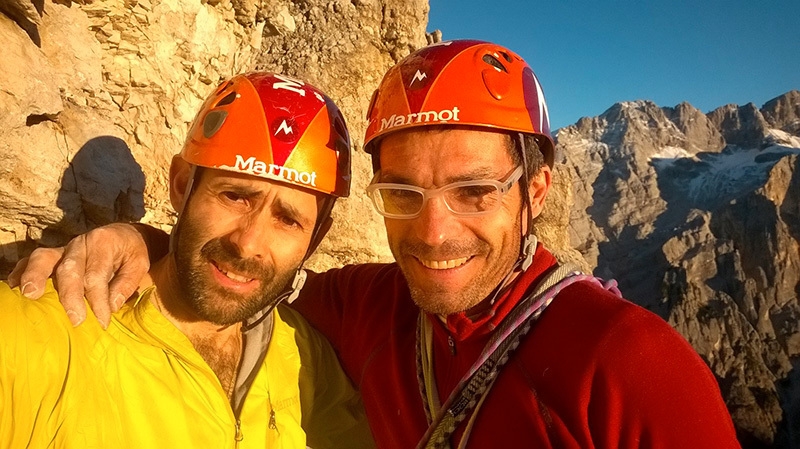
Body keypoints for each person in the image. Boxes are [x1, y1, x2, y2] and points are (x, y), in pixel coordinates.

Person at [9, 40, 741, 448]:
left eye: (475, 192)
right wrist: (146, 242)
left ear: (537, 189)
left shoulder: (635, 370)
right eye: (402, 195)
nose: (433, 233)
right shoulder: (361, 308)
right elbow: (240, 278)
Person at [0, 72, 374, 448]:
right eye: (234, 196)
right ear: (182, 185)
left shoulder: (302, 355)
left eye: (288, 219)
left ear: (316, 238)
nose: (247, 244)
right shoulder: (34, 335)